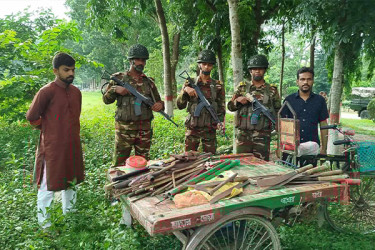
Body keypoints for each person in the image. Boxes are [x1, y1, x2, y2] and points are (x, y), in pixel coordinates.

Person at [26, 52, 84, 229]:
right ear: (55, 70)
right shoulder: (46, 91)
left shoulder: (76, 92)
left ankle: (71, 217)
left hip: (72, 145)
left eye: (73, 70)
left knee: (71, 183)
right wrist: (49, 129)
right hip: (51, 148)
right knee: (47, 186)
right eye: (66, 70)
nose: (71, 74)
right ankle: (45, 226)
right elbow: (32, 117)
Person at [102, 44, 164, 165]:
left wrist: (160, 105)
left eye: (143, 60)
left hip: (144, 131)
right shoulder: (118, 78)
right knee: (119, 164)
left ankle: (140, 184)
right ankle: (119, 184)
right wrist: (115, 90)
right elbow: (106, 100)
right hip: (124, 131)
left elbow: (159, 101)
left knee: (143, 163)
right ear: (131, 60)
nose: (141, 63)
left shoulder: (149, 82)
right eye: (138, 59)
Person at [227, 54, 281, 161]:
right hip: (243, 135)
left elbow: (278, 110)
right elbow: (230, 107)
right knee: (241, 164)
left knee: (261, 165)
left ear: (264, 70)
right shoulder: (242, 88)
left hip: (262, 136)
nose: (257, 71)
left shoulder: (272, 90)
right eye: (254, 69)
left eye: (260, 69)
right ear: (250, 71)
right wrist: (238, 101)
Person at [176, 49, 225, 154]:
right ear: (199, 65)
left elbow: (221, 107)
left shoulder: (218, 85)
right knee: (188, 158)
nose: (207, 67)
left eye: (209, 64)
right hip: (193, 128)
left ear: (212, 66)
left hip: (210, 129)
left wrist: (220, 121)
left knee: (210, 158)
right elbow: (180, 105)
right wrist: (185, 90)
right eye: (204, 64)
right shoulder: (190, 83)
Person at [281, 67, 329, 162]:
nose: (305, 82)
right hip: (290, 148)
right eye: (302, 79)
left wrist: (324, 148)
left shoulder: (320, 101)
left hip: (311, 148)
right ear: (297, 81)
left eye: (309, 79)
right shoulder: (288, 100)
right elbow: (282, 126)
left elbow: (324, 125)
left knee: (309, 175)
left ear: (313, 81)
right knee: (289, 174)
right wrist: (279, 146)